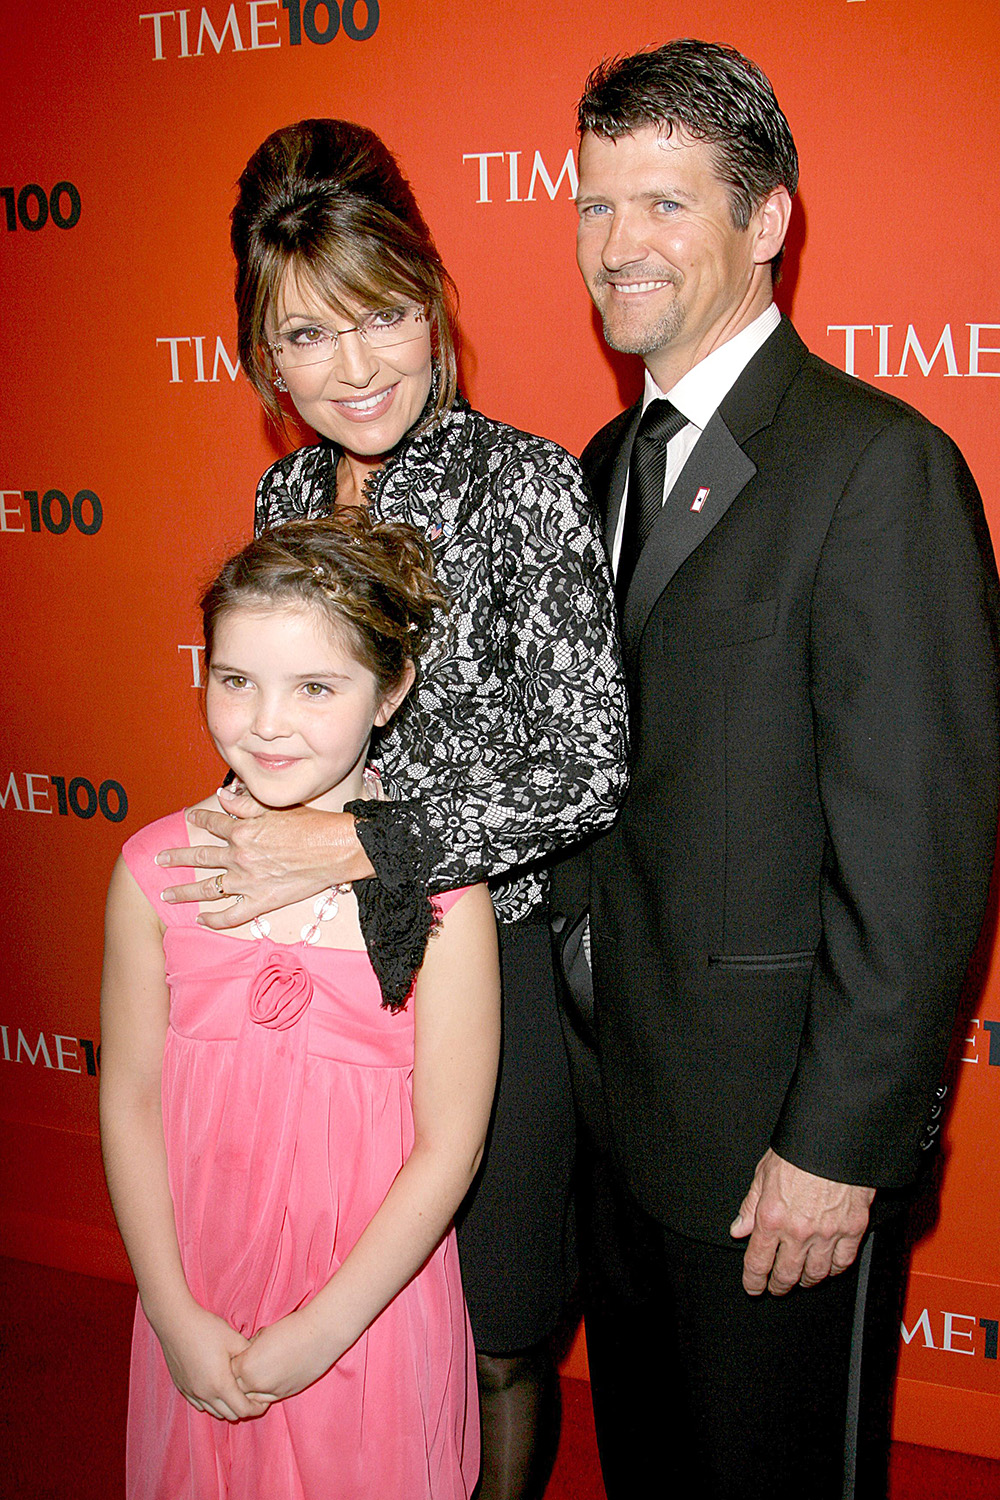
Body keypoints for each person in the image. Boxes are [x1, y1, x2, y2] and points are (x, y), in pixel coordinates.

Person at [550, 38, 1000, 1500]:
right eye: (597, 205)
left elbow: (920, 852)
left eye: (665, 204)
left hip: (772, 1154)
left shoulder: (881, 470)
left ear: (768, 222)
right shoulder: (602, 464)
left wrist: (836, 1148)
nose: (619, 247)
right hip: (619, 1126)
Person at [154, 119, 628, 1500]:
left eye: (384, 319)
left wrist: (365, 838)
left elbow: (586, 766)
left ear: (436, 310)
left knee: (494, 1332)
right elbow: (287, 723)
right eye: (309, 336)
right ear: (264, 356)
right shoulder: (285, 490)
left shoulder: (523, 482)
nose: (355, 369)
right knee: (318, 1301)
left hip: (490, 962)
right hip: (309, 962)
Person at [100, 513, 501, 1499]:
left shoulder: (437, 894)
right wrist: (170, 1308)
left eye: (315, 687)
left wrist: (326, 1328)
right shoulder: (155, 868)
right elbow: (130, 1099)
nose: (266, 723)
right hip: (196, 1284)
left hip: (368, 1312)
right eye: (235, 680)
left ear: (388, 692)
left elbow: (449, 1142)